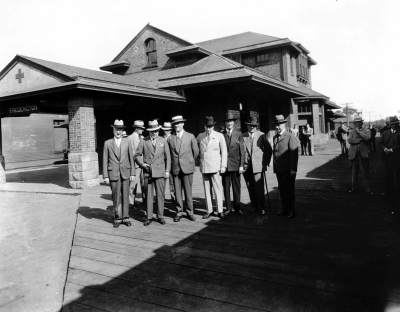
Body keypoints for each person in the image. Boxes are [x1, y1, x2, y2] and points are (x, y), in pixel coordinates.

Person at [135, 120, 171, 226]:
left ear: (158, 130)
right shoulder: (143, 141)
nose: (154, 133)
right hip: (148, 172)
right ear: (149, 131)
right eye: (151, 131)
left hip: (160, 172)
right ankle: (149, 216)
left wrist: (167, 170)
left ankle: (160, 216)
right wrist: (142, 164)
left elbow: (168, 157)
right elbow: (136, 155)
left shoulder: (163, 141)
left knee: (160, 195)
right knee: (149, 195)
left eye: (155, 131)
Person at [103, 120, 135, 228]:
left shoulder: (128, 142)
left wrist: (133, 173)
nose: (118, 132)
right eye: (116, 129)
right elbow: (105, 160)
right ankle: (117, 217)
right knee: (115, 196)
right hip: (113, 173)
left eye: (120, 130)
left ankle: (125, 217)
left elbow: (131, 158)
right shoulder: (107, 143)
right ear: (113, 130)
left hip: (125, 172)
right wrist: (106, 175)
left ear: (123, 131)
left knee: (125, 195)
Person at [168, 116, 199, 222]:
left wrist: (189, 161)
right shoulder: (170, 138)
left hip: (187, 167)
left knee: (188, 191)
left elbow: (196, 152)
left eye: (179, 123)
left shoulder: (190, 136)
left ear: (183, 124)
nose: (176, 125)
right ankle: (179, 211)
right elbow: (168, 154)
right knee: (177, 191)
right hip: (175, 168)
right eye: (175, 124)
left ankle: (190, 212)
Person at [196, 116, 227, 219]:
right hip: (204, 166)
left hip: (215, 166)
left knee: (217, 189)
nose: (208, 129)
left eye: (210, 127)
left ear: (213, 126)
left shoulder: (219, 136)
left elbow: (224, 152)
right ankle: (209, 210)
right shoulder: (200, 136)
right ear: (204, 127)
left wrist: (223, 165)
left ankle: (220, 210)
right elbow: (194, 148)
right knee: (206, 189)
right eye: (207, 127)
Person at [242, 116, 272, 216]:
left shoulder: (261, 135)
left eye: (254, 126)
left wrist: (266, 162)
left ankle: (261, 208)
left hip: (258, 166)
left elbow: (268, 149)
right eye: (250, 125)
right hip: (247, 166)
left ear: (256, 126)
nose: (252, 127)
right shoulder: (243, 136)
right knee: (250, 187)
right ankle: (254, 206)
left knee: (259, 188)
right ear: (247, 125)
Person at [272, 115, 299, 219]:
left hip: (288, 170)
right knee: (282, 189)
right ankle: (284, 209)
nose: (277, 127)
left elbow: (294, 155)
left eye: (279, 125)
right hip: (279, 169)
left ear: (284, 124)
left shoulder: (290, 136)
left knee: (289, 190)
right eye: (276, 125)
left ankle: (291, 210)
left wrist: (293, 169)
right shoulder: (275, 137)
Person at [221, 112, 245, 216]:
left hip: (236, 165)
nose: (229, 123)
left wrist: (241, 165)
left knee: (236, 188)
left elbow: (242, 151)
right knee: (226, 188)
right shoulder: (221, 134)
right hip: (225, 166)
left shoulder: (238, 134)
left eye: (231, 121)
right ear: (225, 123)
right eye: (227, 121)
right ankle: (228, 208)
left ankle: (237, 207)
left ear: (233, 123)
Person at [347, 116, 372, 194]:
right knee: (354, 173)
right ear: (354, 124)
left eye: (359, 122)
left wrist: (359, 132)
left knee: (365, 173)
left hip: (363, 154)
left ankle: (368, 190)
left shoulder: (366, 130)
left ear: (362, 123)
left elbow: (368, 138)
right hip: (353, 154)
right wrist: (360, 140)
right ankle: (354, 189)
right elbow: (349, 140)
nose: (358, 124)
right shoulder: (351, 131)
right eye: (356, 122)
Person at [379, 116, 400, 203]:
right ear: (389, 124)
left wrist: (392, 150)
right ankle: (389, 193)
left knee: (398, 176)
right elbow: (380, 144)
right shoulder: (385, 133)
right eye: (392, 124)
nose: (394, 125)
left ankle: (398, 195)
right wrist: (384, 149)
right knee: (388, 176)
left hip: (398, 158)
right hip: (388, 158)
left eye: (396, 124)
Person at [128, 120, 146, 209]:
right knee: (133, 184)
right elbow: (131, 154)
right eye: (141, 128)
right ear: (136, 128)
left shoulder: (142, 138)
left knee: (144, 183)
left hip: (144, 165)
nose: (142, 130)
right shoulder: (130, 138)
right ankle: (131, 202)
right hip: (135, 165)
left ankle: (145, 200)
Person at [162, 121, 175, 203]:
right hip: (162, 163)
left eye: (168, 130)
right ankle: (161, 197)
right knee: (162, 181)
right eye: (165, 130)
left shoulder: (173, 138)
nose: (166, 131)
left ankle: (173, 197)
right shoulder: (160, 138)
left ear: (170, 130)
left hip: (172, 163)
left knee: (172, 181)